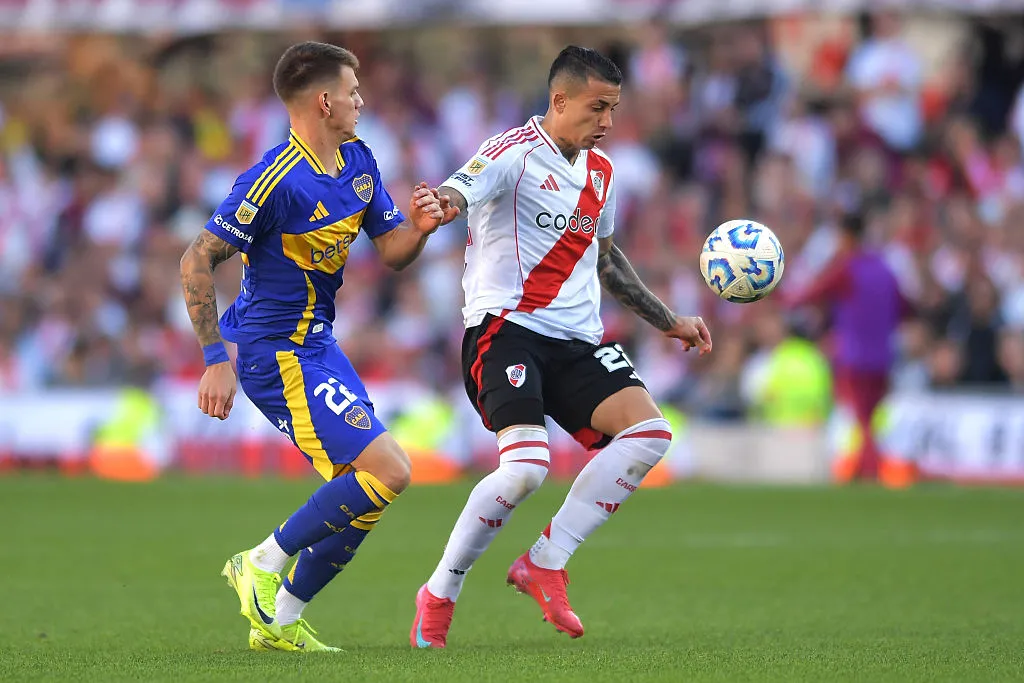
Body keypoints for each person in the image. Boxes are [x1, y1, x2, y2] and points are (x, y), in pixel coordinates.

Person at [409, 45, 712, 649]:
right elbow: (458, 190)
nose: (606, 121)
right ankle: (440, 591)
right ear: (559, 100)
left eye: (614, 109)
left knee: (650, 434)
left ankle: (545, 561)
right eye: (596, 107)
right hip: (505, 332)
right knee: (525, 469)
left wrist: (667, 319)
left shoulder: (602, 173)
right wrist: (436, 207)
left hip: (575, 341)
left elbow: (606, 260)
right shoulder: (512, 154)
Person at [179, 41, 447, 652]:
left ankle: (278, 623)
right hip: (274, 354)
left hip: (320, 346)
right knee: (390, 470)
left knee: (367, 491)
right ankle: (262, 563)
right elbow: (196, 258)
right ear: (325, 101)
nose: (361, 100)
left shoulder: (358, 160)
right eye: (353, 91)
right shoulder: (273, 180)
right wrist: (215, 359)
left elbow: (394, 250)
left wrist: (422, 229)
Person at [786, 212, 913, 485]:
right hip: (883, 356)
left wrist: (780, 298)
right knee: (870, 416)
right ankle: (864, 466)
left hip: (855, 356)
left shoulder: (847, 268)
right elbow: (905, 307)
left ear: (845, 236)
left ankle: (871, 469)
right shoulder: (885, 268)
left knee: (862, 418)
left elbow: (810, 294)